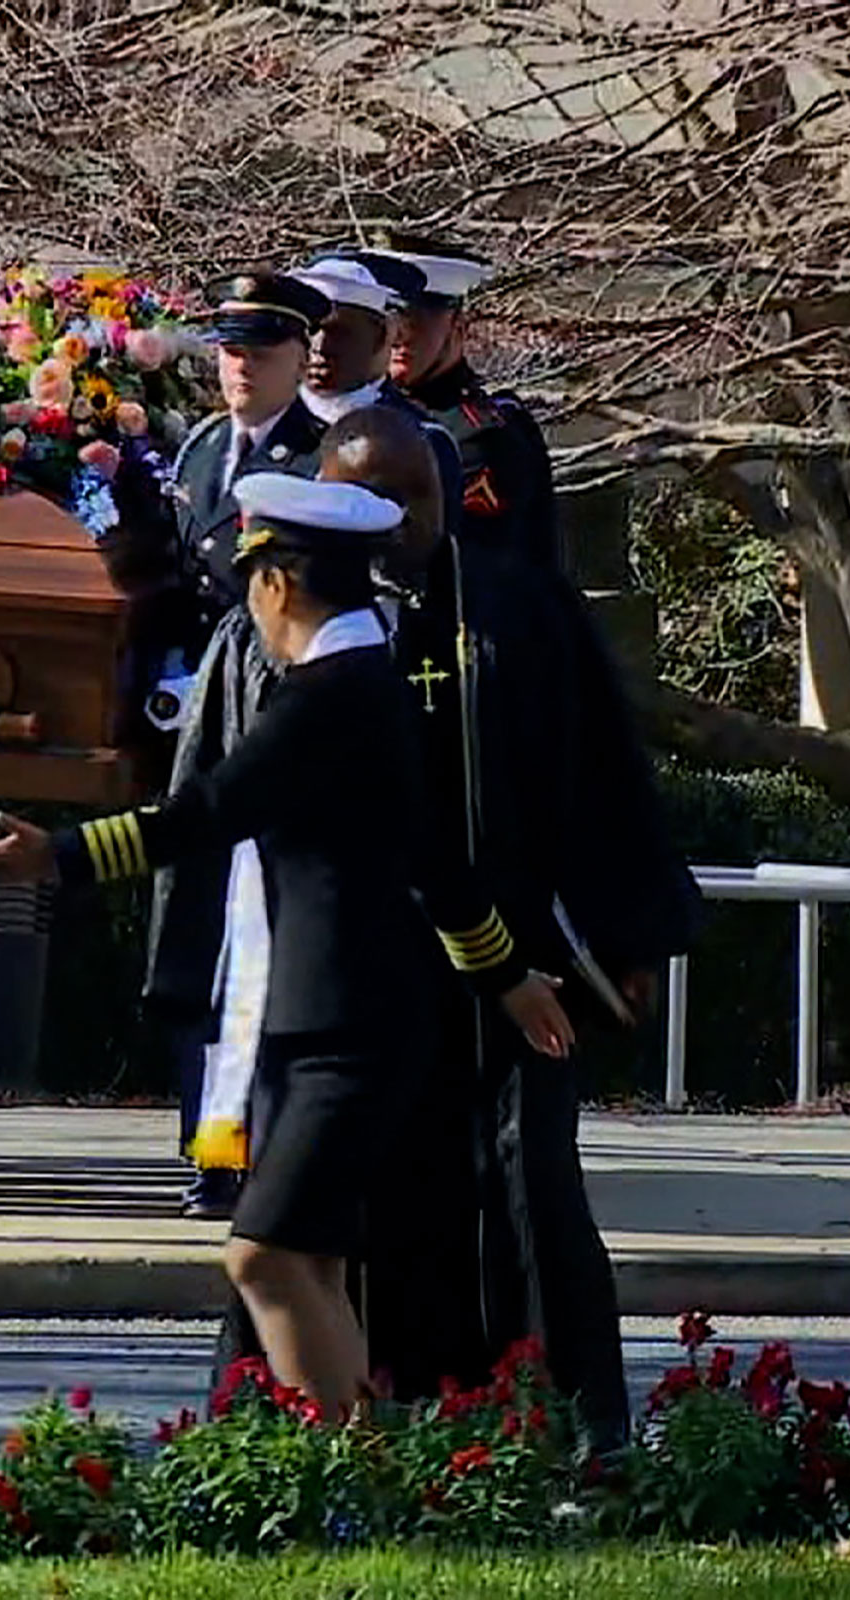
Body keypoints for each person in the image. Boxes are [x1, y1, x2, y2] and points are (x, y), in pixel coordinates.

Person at [0, 475, 531, 1416]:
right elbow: (438, 864)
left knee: (262, 1254)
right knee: (312, 1264)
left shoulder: (331, 699)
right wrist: (503, 975)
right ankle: (366, 1478)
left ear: (277, 587)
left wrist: (55, 858)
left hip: (349, 1026)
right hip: (332, 1021)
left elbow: (209, 811)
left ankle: (348, 1474)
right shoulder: (357, 684)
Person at [322, 403, 700, 1459]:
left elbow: (605, 778)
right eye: (375, 498)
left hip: (522, 968)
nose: (401, 520)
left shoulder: (518, 607)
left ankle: (585, 1428)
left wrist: (629, 938)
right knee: (383, 1197)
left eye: (419, 498)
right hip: (368, 974)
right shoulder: (310, 617)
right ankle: (397, 1423)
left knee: (533, 1184)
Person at [93, 271, 334, 1221]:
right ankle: (208, 1144)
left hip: (269, 718)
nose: (240, 367)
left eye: (261, 350)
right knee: (196, 940)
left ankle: (250, 1147)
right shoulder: (195, 452)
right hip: (192, 721)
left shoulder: (323, 462)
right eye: (230, 350)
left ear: (300, 357)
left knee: (258, 946)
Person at [362, 236, 563, 575]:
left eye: (417, 318)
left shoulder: (478, 434)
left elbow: (472, 567)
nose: (400, 334)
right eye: (388, 317)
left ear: (457, 324)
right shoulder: (364, 412)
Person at [289, 252, 464, 534]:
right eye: (311, 329)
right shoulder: (266, 424)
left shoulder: (421, 440)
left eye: (340, 333)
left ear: (382, 336)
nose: (319, 346)